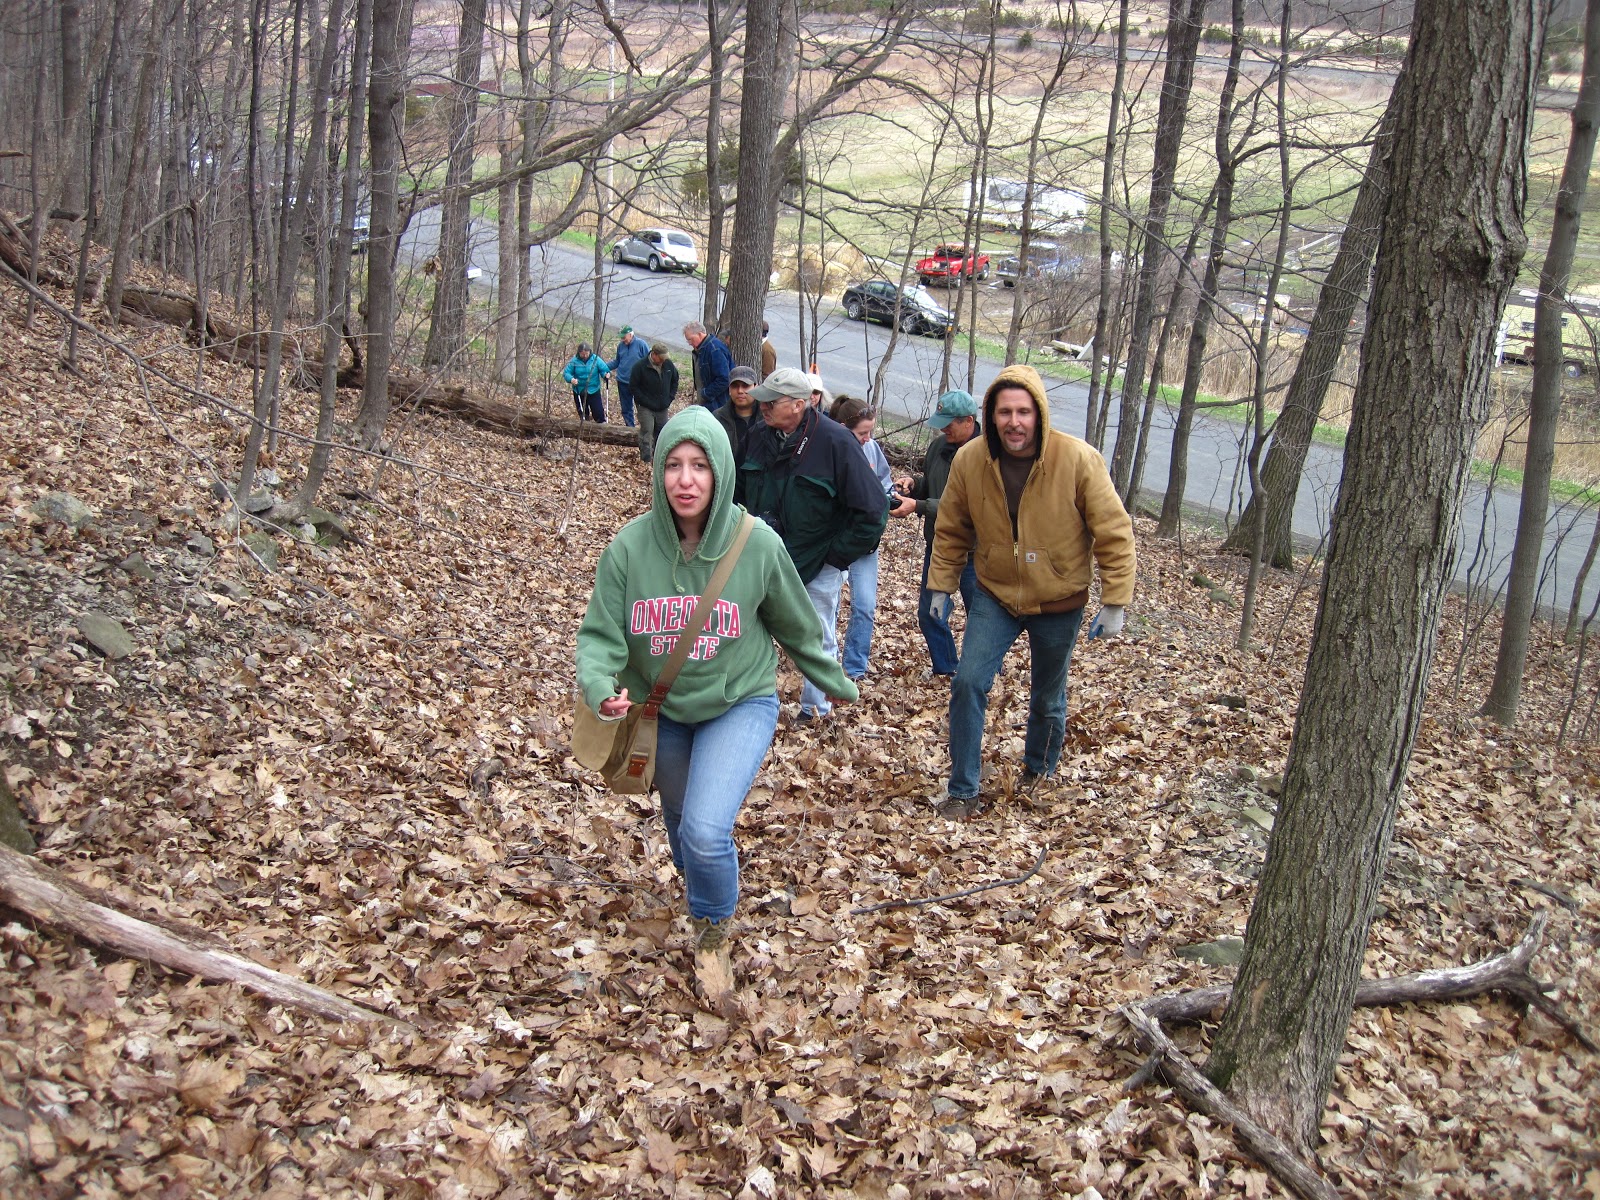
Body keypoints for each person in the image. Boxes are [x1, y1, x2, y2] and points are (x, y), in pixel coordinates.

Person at [575, 407, 857, 1004]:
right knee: (681, 832)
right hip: (664, 709)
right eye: (674, 464)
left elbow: (796, 623)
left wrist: (829, 678)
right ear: (658, 473)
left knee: (704, 832)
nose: (685, 479)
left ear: (721, 472)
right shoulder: (629, 549)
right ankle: (706, 880)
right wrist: (602, 688)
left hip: (740, 702)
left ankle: (711, 928)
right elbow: (600, 635)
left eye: (699, 465)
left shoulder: (756, 545)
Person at [927, 364, 1135, 820]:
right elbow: (952, 530)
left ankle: (1037, 771)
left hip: (1059, 600)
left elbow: (1114, 532)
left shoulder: (1077, 459)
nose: (1014, 422)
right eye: (1005, 412)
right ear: (991, 414)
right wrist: (940, 585)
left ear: (1038, 414)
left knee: (1047, 695)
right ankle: (963, 789)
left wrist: (1115, 599)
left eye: (1023, 411)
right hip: (995, 594)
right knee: (967, 682)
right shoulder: (971, 459)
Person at [737, 367, 889, 723]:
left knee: (817, 635)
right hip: (759, 560)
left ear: (799, 405)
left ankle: (815, 709)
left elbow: (873, 509)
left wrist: (835, 558)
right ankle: (747, 702)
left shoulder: (836, 442)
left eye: (770, 402)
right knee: (745, 630)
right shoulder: (757, 436)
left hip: (815, 564)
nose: (762, 408)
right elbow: (737, 494)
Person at [891, 390, 982, 679]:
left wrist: (917, 505)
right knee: (930, 612)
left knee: (981, 617)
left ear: (968, 421)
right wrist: (913, 485)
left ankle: (983, 670)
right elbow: (933, 485)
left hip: (976, 552)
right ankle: (946, 668)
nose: (943, 428)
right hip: (939, 546)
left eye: (949, 423)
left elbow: (968, 507)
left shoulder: (987, 454)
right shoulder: (939, 446)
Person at [828, 395, 896, 681]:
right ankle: (825, 663)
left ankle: (854, 668)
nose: (868, 439)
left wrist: (889, 498)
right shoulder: (827, 450)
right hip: (835, 544)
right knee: (827, 605)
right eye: (862, 433)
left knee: (865, 605)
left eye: (871, 432)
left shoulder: (871, 450)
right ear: (844, 428)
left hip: (866, 545)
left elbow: (884, 482)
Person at [629, 344, 679, 462]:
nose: (663, 361)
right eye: (661, 358)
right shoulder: (640, 366)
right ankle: (646, 459)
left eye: (664, 359)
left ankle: (659, 458)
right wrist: (644, 400)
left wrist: (670, 398)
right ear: (654, 354)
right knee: (647, 431)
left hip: (662, 406)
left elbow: (675, 381)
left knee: (662, 432)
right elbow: (633, 387)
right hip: (645, 406)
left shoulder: (668, 365)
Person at [715, 365, 764, 464]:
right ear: (729, 390)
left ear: (756, 387)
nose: (740, 391)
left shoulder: (767, 416)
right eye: (735, 386)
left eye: (745, 386)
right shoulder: (717, 418)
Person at [683, 321, 733, 412]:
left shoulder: (715, 350)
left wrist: (705, 394)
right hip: (708, 403)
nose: (689, 343)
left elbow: (724, 379)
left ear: (699, 334)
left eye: (690, 339)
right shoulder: (700, 350)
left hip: (717, 404)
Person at [611, 326, 651, 428]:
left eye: (624, 337)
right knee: (626, 409)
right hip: (622, 381)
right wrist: (603, 367)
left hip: (638, 383)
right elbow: (617, 361)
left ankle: (645, 428)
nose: (622, 340)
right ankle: (630, 428)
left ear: (630, 334)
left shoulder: (641, 345)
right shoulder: (621, 346)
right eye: (621, 338)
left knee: (642, 408)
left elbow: (649, 362)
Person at [563, 343, 611, 422]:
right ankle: (585, 428)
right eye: (582, 354)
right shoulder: (574, 361)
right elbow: (566, 373)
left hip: (594, 389)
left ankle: (602, 427)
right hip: (579, 390)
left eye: (586, 354)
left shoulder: (595, 359)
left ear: (590, 352)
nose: (585, 356)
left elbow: (604, 369)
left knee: (598, 413)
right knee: (583, 414)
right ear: (579, 353)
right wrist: (571, 379)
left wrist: (605, 374)